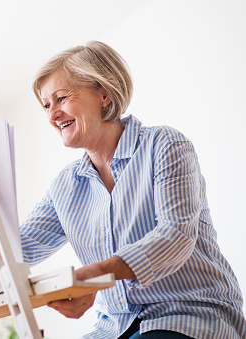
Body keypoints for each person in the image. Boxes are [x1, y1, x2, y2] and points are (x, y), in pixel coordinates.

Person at [20, 41, 246, 339]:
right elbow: (17, 248)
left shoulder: (165, 145)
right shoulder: (65, 185)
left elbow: (175, 236)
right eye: (47, 105)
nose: (52, 116)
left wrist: (97, 273)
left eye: (61, 98)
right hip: (113, 328)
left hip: (190, 315)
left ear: (105, 93)